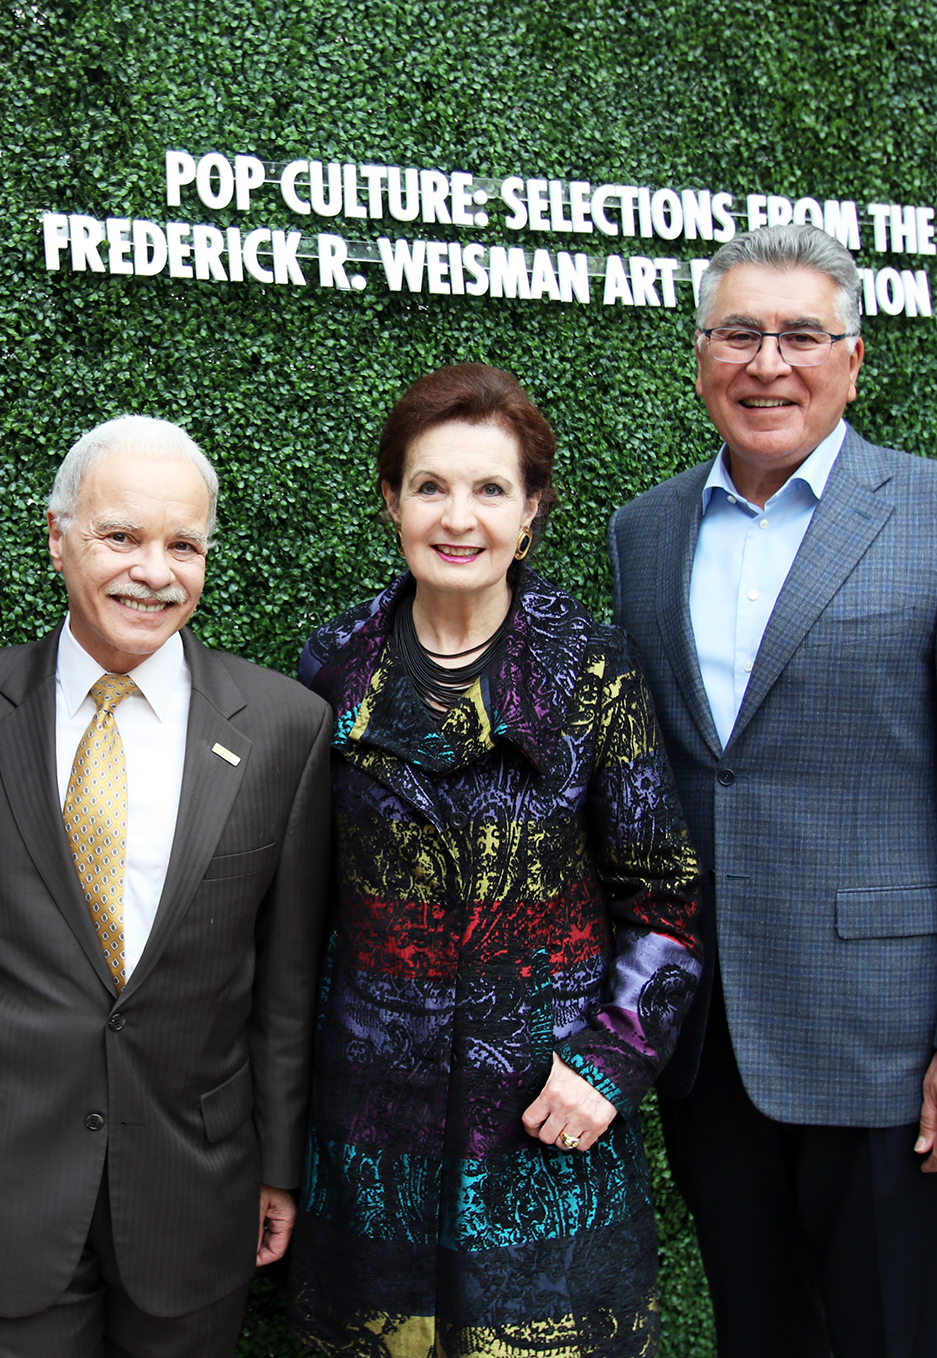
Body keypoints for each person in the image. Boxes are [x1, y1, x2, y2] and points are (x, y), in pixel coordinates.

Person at [608, 223, 937, 1358]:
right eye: (739, 333)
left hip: (888, 1049)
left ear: (852, 358)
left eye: (801, 334)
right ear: (698, 354)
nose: (769, 362)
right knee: (758, 1335)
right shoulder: (643, 531)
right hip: (708, 1044)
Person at [284, 364, 705, 1357]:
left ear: (530, 513)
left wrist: (607, 1061)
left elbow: (666, 897)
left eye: (489, 489)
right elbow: (300, 907)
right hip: (370, 1127)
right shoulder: (330, 666)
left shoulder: (591, 670)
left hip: (545, 1116)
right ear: (389, 500)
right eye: (430, 485)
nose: (457, 516)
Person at [0, 415, 333, 1358]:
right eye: (121, 537)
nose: (154, 570)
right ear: (58, 538)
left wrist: (278, 1164)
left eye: (183, 544)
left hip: (194, 1189)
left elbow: (286, 980)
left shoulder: (283, 727)